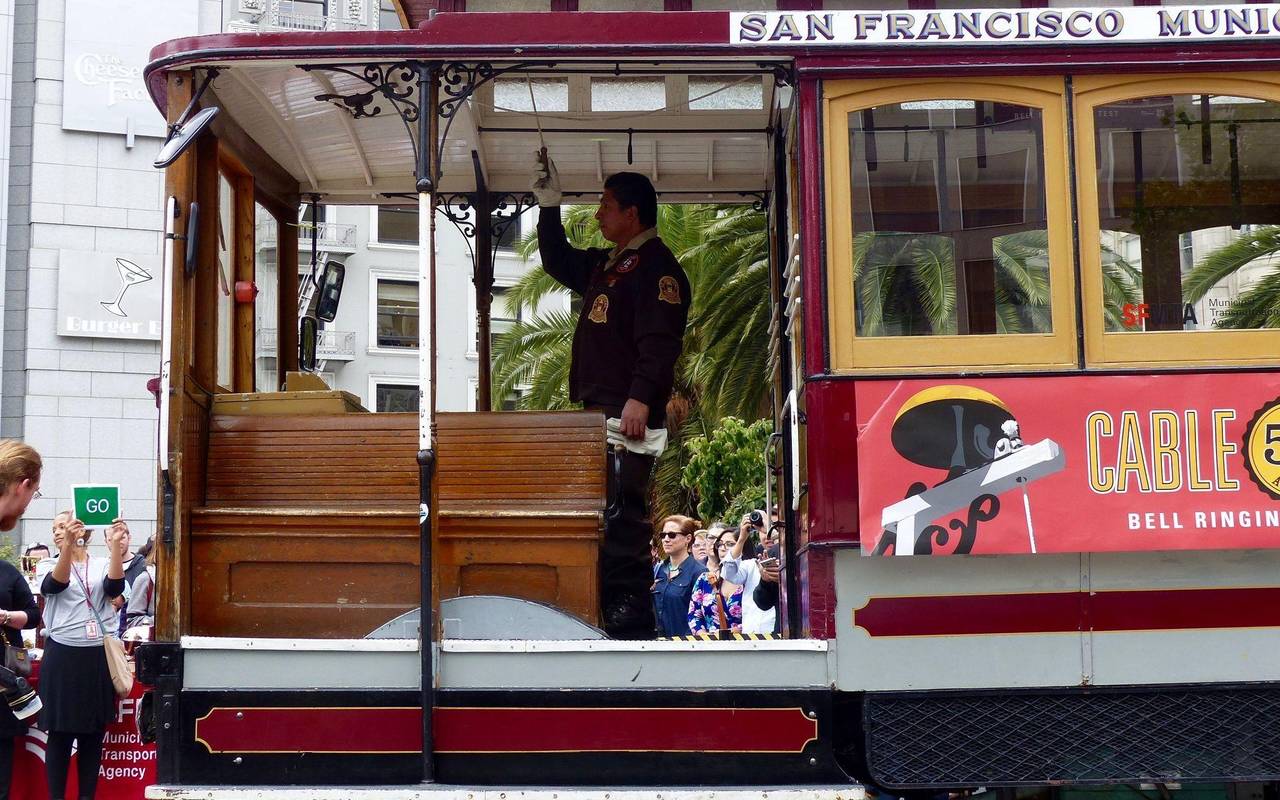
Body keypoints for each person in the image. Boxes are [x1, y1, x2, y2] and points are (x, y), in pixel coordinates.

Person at [533, 155, 692, 639]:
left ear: (633, 212)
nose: (599, 214)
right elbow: (559, 261)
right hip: (600, 410)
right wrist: (548, 207)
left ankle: (629, 612)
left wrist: (641, 398)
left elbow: (659, 342)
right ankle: (606, 605)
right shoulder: (612, 263)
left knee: (625, 511)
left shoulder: (658, 269)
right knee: (604, 510)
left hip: (626, 410)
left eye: (606, 205)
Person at [40, 512, 127, 800]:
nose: (57, 532)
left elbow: (114, 589)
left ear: (82, 531)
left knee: (92, 734)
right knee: (60, 733)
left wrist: (115, 545)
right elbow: (56, 584)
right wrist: (65, 548)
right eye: (54, 528)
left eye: (63, 526)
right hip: (62, 655)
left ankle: (86, 796)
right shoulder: (47, 563)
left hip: (95, 657)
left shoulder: (101, 563)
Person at [721, 512, 780, 635]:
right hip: (751, 636)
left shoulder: (790, 562)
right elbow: (728, 573)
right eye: (763, 530)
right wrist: (742, 538)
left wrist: (776, 535)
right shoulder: (751, 565)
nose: (767, 535)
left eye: (773, 528)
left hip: (776, 634)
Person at [650, 515, 706, 638]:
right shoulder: (658, 569)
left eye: (672, 535)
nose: (666, 539)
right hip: (656, 644)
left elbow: (703, 614)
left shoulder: (700, 573)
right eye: (663, 535)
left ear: (688, 538)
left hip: (686, 646)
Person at [687, 530, 743, 635]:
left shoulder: (751, 578)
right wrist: (704, 635)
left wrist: (736, 631)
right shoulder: (705, 578)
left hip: (749, 644)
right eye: (720, 544)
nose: (723, 548)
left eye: (730, 544)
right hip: (709, 646)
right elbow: (693, 615)